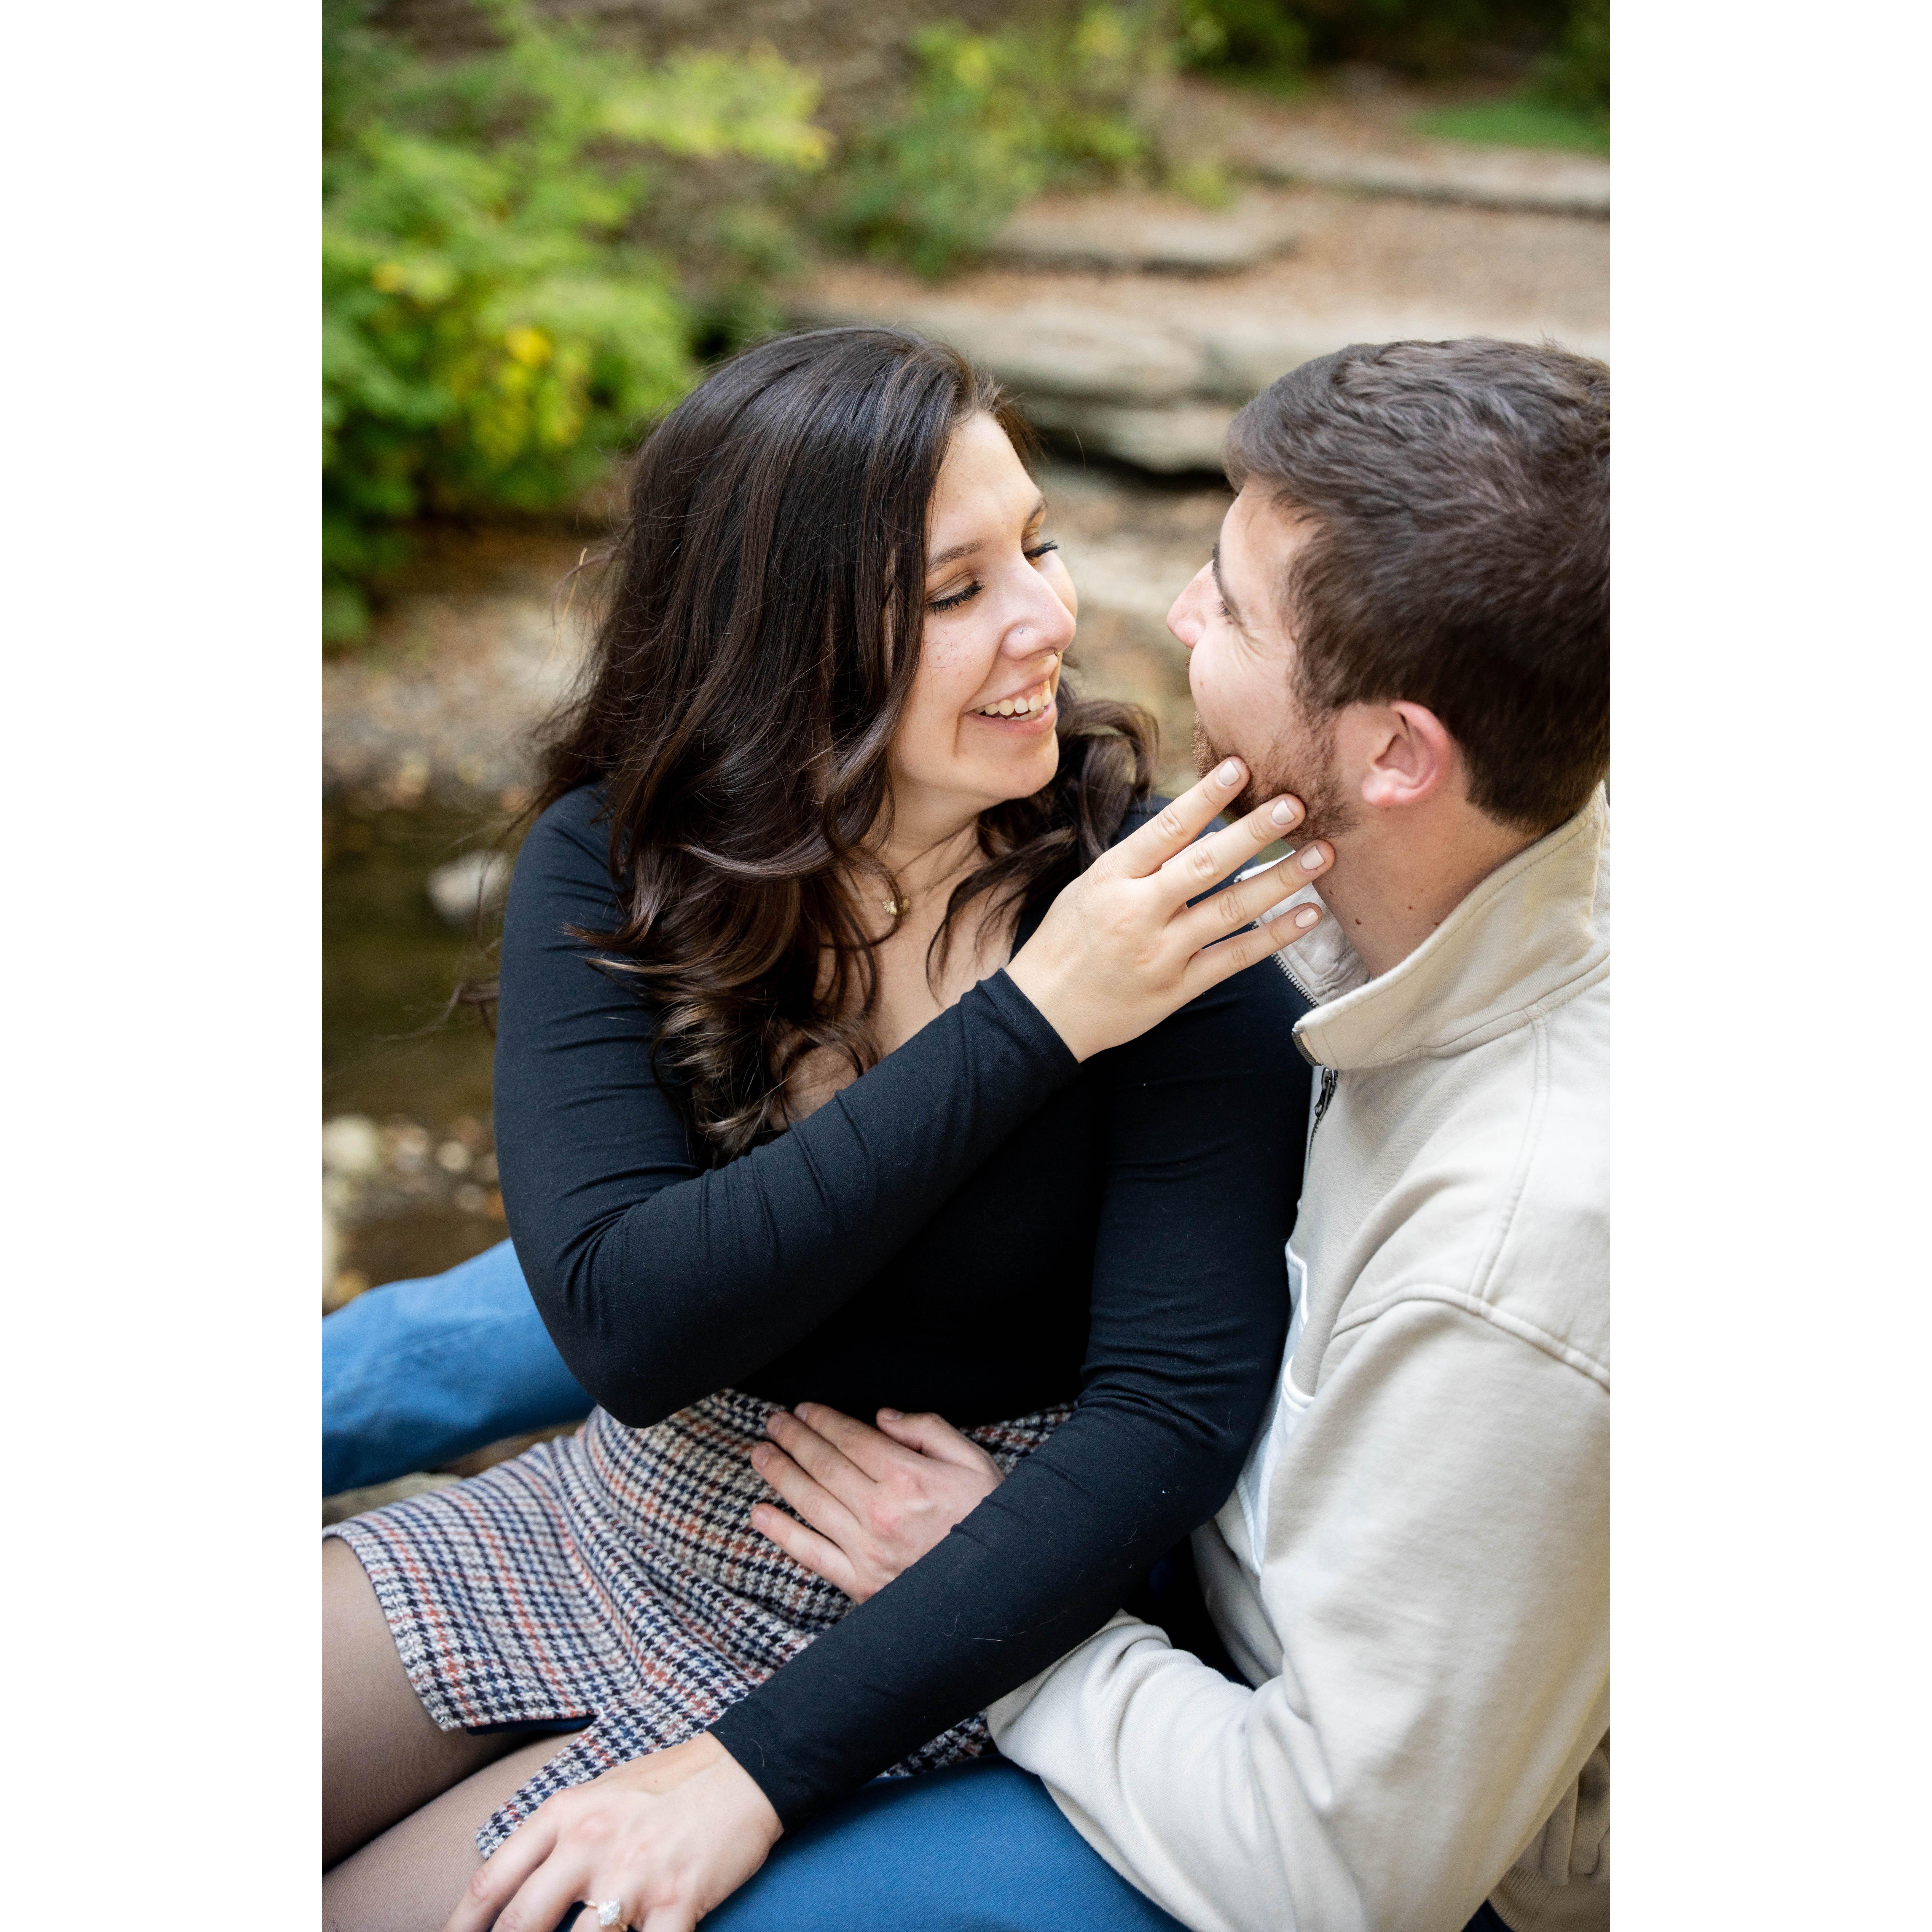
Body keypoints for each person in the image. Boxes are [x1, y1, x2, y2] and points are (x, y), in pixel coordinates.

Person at [321, 325, 1343, 1931]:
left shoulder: (1166, 924)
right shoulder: (622, 858)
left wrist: (746, 1773)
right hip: (616, 1513)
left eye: (1038, 548)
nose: (1049, 621)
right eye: (956, 592)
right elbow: (632, 1323)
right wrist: (1033, 1026)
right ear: (780, 641)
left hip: (908, 1617)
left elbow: (1168, 1421)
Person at [720, 338, 1611, 1932]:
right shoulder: (1366, 880)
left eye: (1231, 604)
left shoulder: (1519, 1257)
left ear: (1401, 754)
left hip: (1279, 1794)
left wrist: (1003, 1603)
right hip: (1164, 1556)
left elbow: (1336, 1870)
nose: (1162, 621)